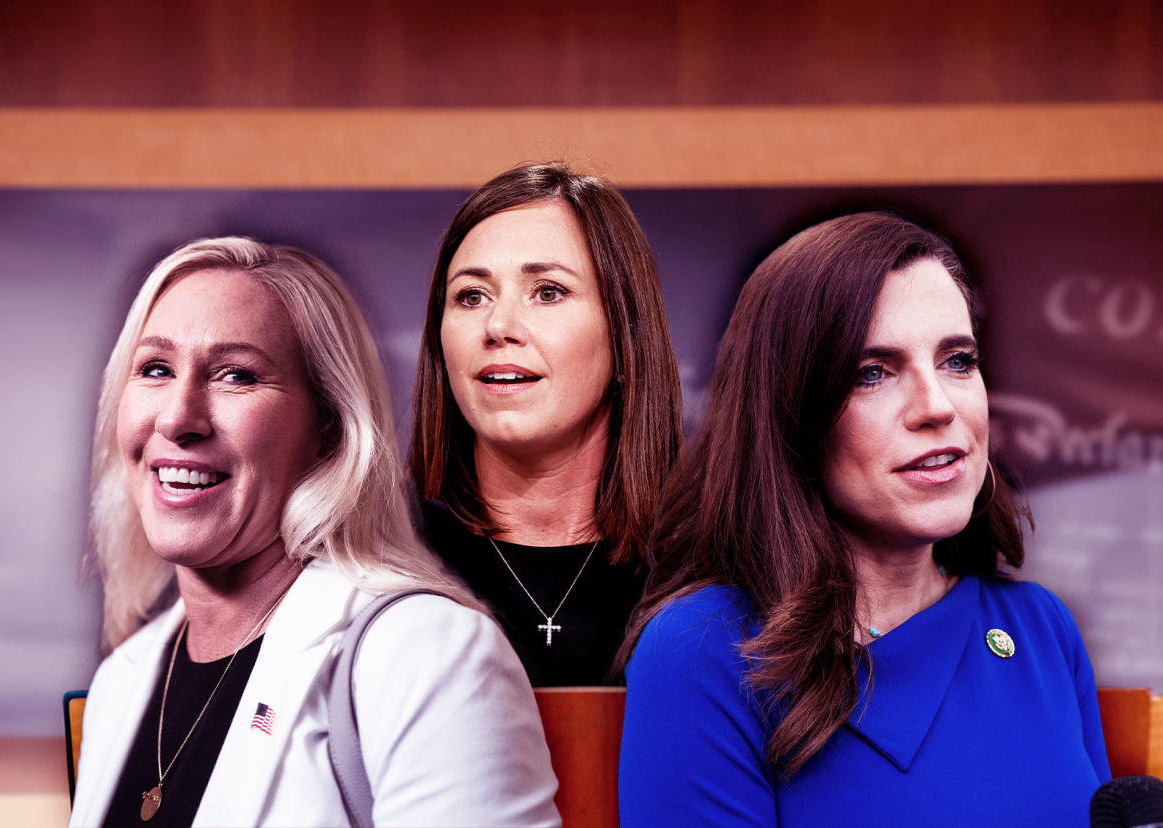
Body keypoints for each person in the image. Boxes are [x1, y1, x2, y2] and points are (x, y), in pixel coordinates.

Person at [618, 213, 1111, 826]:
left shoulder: (1041, 628)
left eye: (958, 360)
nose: (936, 406)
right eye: (871, 373)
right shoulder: (702, 648)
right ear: (789, 416)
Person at [69, 237, 559, 827]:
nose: (176, 418)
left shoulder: (428, 655)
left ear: (329, 430)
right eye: (154, 369)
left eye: (236, 376)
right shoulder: (124, 681)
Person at [409, 162, 683, 686]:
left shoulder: (710, 572)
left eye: (548, 291)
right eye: (471, 296)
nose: (499, 326)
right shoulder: (379, 569)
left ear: (625, 333)